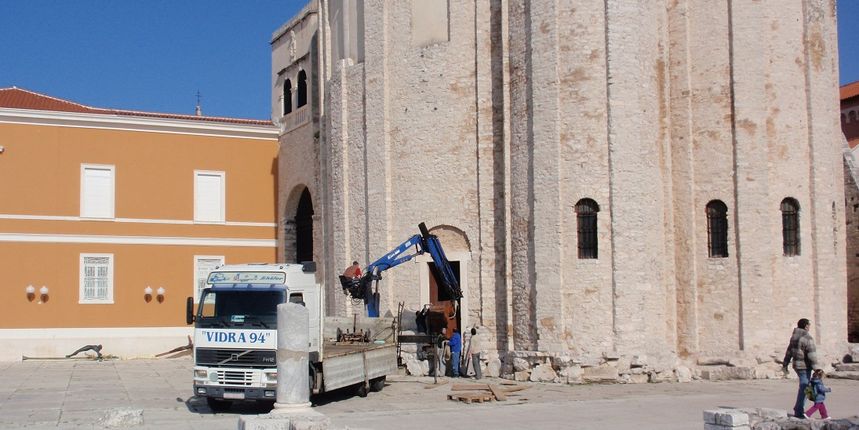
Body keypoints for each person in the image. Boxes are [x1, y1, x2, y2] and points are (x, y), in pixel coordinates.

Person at [783, 318, 819, 419]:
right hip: (804, 366)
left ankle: (811, 403)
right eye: (809, 325)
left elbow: (789, 351)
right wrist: (817, 369)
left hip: (797, 366)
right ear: (806, 326)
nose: (809, 327)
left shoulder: (794, 336)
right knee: (804, 387)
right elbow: (812, 355)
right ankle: (799, 410)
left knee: (806, 386)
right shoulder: (807, 338)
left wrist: (785, 363)